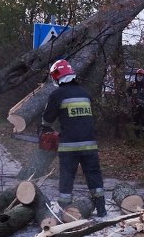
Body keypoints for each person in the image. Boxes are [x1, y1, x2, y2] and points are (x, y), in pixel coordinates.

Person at [40, 59, 106, 217]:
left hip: (69, 146)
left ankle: (63, 209)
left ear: (56, 76)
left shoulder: (57, 94)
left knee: (67, 177)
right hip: (90, 144)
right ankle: (101, 209)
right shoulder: (85, 93)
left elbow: (47, 119)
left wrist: (45, 128)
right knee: (94, 176)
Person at [126, 68, 144, 138]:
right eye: (138, 76)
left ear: (143, 77)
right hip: (135, 106)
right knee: (135, 121)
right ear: (136, 76)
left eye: (141, 76)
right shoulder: (132, 85)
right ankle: (137, 136)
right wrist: (130, 99)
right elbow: (127, 93)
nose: (139, 77)